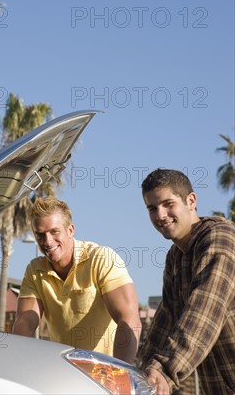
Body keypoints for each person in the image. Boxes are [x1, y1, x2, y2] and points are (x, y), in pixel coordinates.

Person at [140, 168, 235, 395]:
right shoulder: (175, 257)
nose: (160, 215)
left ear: (191, 200)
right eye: (152, 208)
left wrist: (164, 371)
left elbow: (205, 311)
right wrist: (142, 374)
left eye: (168, 204)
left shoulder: (219, 238)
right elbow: (165, 322)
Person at [12, 197, 142, 363]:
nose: (47, 241)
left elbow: (129, 318)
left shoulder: (101, 258)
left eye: (54, 231)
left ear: (71, 230)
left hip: (105, 371)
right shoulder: (34, 270)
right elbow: (25, 323)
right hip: (64, 373)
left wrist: (119, 374)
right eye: (40, 235)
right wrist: (18, 364)